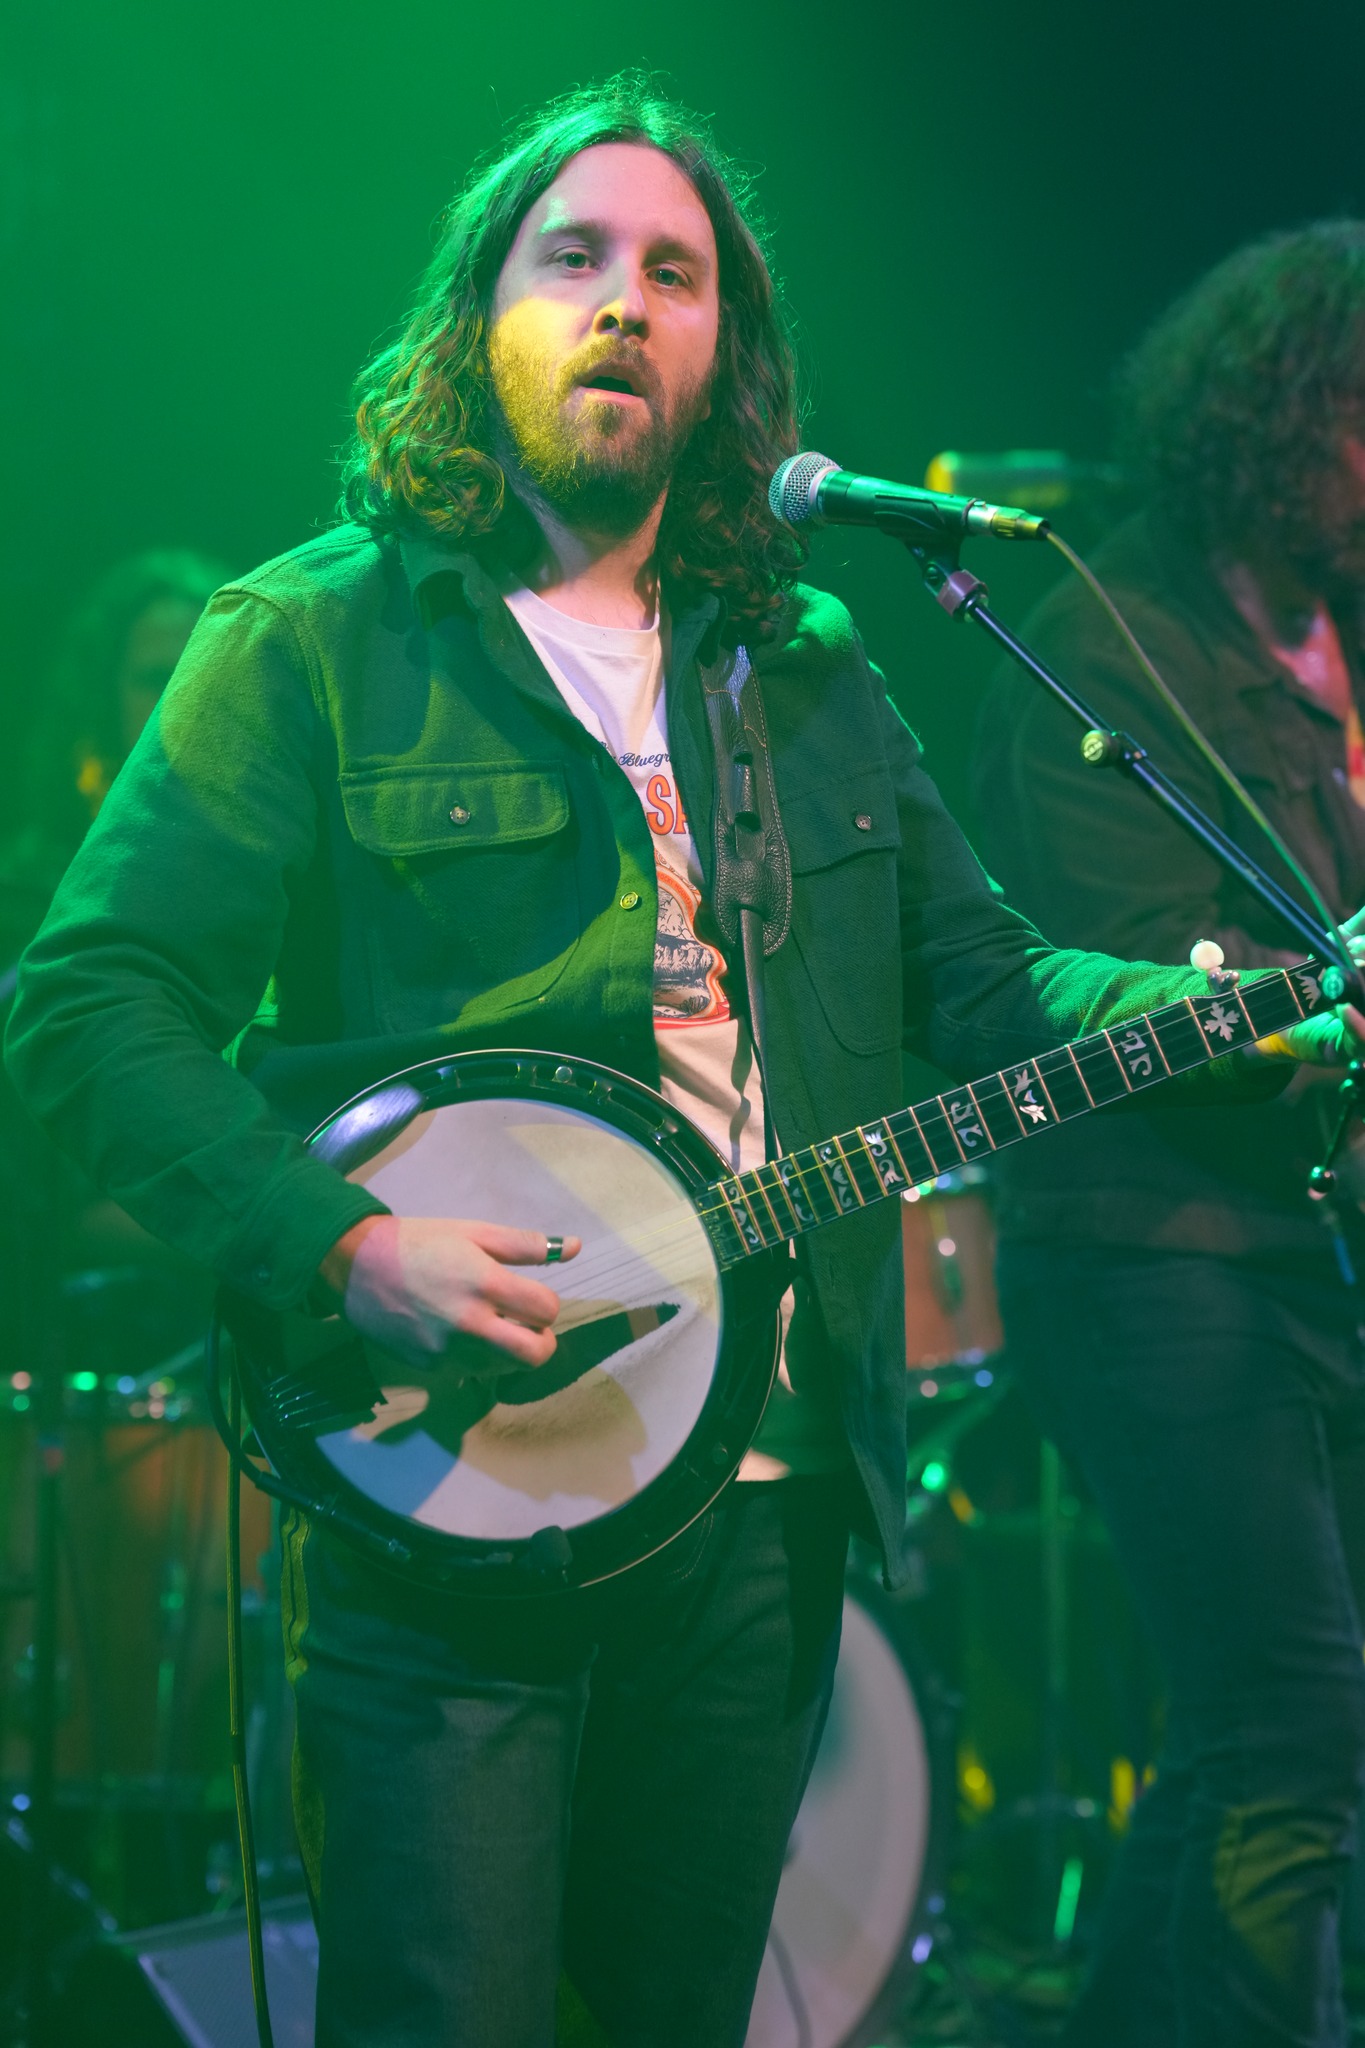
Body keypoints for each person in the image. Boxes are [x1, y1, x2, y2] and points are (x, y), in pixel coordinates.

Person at [5, 83, 1359, 2048]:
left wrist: (1226, 1013)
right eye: (572, 257)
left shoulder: (798, 656)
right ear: (479, 316)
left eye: (674, 272)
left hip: (762, 1501)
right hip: (454, 1501)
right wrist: (341, 1244)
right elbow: (86, 1001)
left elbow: (986, 981)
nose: (623, 302)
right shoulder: (309, 638)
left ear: (726, 348)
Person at [973, 221, 1365, 2048]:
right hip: (1155, 1258)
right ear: (1279, 414)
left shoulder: (1331, 627)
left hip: (1309, 1248)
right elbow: (1119, 996)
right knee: (1287, 1731)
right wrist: (1320, 1002)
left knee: (1252, 1739)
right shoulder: (1101, 639)